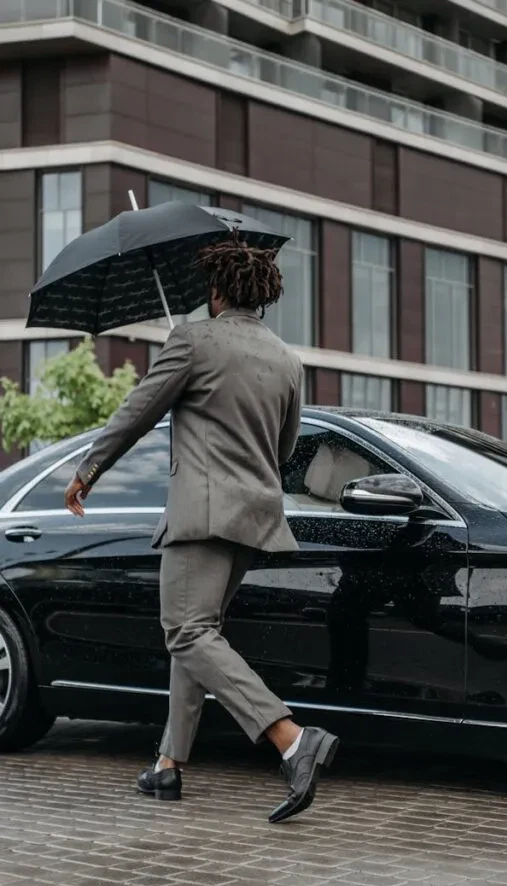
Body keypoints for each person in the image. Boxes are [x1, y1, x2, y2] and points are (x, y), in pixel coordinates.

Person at [64, 233, 338, 823]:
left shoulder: (191, 340)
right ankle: (168, 765)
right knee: (199, 632)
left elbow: (137, 411)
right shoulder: (288, 360)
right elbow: (284, 447)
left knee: (186, 631)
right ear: (259, 296)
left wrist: (88, 469)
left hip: (203, 513)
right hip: (257, 515)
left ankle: (291, 738)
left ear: (215, 291)